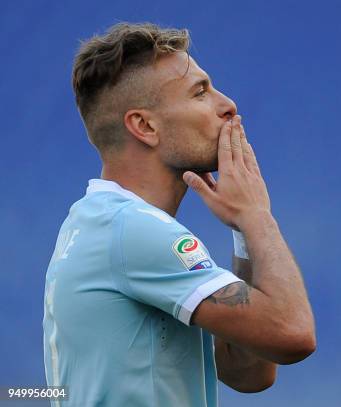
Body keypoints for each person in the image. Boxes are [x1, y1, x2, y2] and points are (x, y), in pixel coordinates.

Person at [43, 21, 316, 406]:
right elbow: (292, 335)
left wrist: (242, 229)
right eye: (200, 92)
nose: (227, 105)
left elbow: (248, 372)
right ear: (144, 126)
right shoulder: (133, 230)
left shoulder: (98, 223)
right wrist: (257, 216)